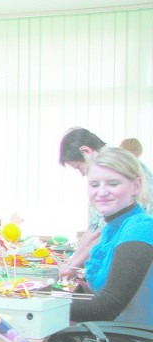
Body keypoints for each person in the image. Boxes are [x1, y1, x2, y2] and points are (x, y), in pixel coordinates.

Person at [70, 147, 153, 324]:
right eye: (94, 185)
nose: (101, 192)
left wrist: (37, 304)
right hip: (117, 334)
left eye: (113, 184)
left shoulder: (139, 228)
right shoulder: (112, 228)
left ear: (135, 187)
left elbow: (107, 307)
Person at [59, 128, 153, 277]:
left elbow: (99, 232)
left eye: (78, 167)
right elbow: (95, 229)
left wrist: (72, 266)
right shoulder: (119, 163)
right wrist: (72, 262)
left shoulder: (111, 166)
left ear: (86, 151)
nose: (82, 174)